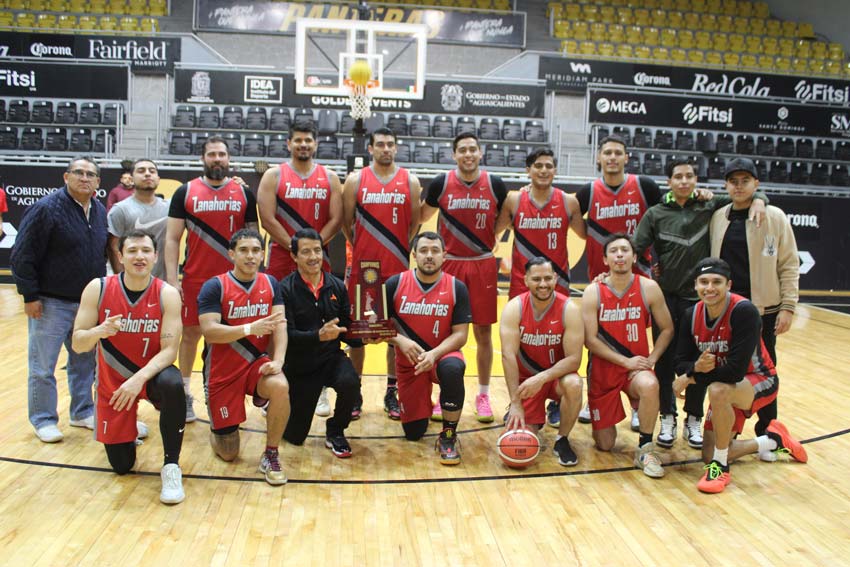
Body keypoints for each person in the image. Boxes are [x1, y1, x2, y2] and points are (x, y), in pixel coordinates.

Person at [633, 158, 767, 450]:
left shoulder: (709, 205)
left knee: (702, 361)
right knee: (667, 361)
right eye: (678, 176)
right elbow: (634, 248)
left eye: (689, 176)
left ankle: (693, 417)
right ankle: (666, 415)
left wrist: (760, 199)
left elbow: (742, 195)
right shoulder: (656, 213)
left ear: (696, 180)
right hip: (667, 299)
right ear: (669, 182)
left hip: (700, 303)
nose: (683, 181)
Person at [673, 257, 807, 494]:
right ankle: (773, 440)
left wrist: (690, 375)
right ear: (695, 285)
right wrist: (691, 369)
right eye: (704, 282)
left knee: (717, 389)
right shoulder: (691, 315)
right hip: (726, 385)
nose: (710, 288)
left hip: (760, 380)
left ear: (729, 285)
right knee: (708, 452)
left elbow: (733, 372)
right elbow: (680, 362)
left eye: (717, 282)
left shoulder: (744, 311)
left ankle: (720, 467)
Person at [71, 230, 186, 504]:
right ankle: (130, 426)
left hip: (150, 375)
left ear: (155, 256)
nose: (139, 256)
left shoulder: (167, 294)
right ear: (120, 256)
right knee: (122, 467)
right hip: (114, 384)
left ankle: (171, 466)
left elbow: (170, 350)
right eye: (132, 250)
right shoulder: (97, 288)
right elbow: (78, 344)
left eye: (146, 251)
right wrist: (99, 330)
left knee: (173, 383)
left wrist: (139, 380)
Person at [11, 156, 108, 443]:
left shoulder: (99, 210)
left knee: (83, 362)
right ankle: (43, 419)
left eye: (90, 174)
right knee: (43, 365)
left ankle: (82, 411)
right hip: (51, 302)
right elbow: (22, 255)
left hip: (86, 305)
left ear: (98, 183)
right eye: (78, 172)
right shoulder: (46, 209)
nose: (84, 178)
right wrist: (30, 295)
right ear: (66, 177)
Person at [165, 136, 259, 423]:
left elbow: (253, 238)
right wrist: (172, 280)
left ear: (229, 159)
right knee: (191, 335)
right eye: (211, 154)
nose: (217, 159)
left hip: (234, 282)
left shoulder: (244, 193)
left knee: (229, 339)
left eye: (222, 154)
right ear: (202, 158)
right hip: (195, 278)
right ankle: (183, 393)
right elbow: (171, 238)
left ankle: (224, 392)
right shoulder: (185, 192)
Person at [711, 157, 799, 454]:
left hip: (764, 311)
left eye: (745, 181)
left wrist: (788, 306)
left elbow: (788, 264)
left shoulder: (773, 216)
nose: (739, 186)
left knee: (765, 373)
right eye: (733, 181)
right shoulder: (718, 216)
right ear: (726, 185)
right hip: (726, 309)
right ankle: (729, 429)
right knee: (729, 369)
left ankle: (768, 430)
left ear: (756, 184)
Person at [421, 132, 509, 423]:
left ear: (480, 153)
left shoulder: (495, 184)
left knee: (484, 333)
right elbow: (422, 216)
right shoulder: (441, 183)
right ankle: (440, 394)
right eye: (462, 150)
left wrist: (492, 240)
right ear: (454, 154)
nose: (468, 154)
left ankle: (483, 394)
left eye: (473, 149)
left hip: (482, 264)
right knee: (442, 333)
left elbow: (505, 217)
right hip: (451, 265)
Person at [257, 124, 343, 418]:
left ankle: (318, 388)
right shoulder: (274, 175)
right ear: (288, 143)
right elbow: (266, 218)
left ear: (315, 144)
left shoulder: (329, 177)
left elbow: (336, 218)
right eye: (298, 140)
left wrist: (311, 250)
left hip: (317, 257)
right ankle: (273, 383)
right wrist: (295, 249)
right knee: (277, 320)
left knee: (320, 320)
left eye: (308, 140)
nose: (303, 145)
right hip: (283, 256)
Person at [198, 228, 290, 485]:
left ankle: (271, 454)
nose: (251, 256)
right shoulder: (214, 286)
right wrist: (250, 328)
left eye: (256, 250)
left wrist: (279, 361)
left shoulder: (271, 283)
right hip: (222, 371)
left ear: (262, 254)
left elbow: (280, 325)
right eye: (244, 250)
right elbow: (210, 332)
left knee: (281, 385)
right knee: (229, 453)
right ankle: (218, 426)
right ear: (231, 254)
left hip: (255, 365)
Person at [342, 127, 421, 420]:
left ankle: (392, 391)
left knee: (394, 335)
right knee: (358, 336)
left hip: (398, 270)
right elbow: (345, 222)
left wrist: (396, 248)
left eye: (390, 144)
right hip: (365, 270)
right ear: (371, 149)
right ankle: (355, 390)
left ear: (396, 148)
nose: (386, 149)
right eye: (380, 145)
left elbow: (413, 224)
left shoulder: (410, 181)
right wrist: (363, 247)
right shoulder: (355, 180)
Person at [581, 234, 674, 478]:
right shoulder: (593, 291)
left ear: (634, 257)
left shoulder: (648, 287)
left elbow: (667, 329)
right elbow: (589, 340)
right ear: (605, 259)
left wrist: (652, 358)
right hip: (603, 371)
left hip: (636, 369)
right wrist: (625, 361)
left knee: (650, 384)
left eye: (625, 250)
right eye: (614, 251)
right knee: (605, 444)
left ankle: (645, 446)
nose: (620, 254)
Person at [383, 232, 471, 464]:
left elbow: (461, 335)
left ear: (444, 255)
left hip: (442, 355)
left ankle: (449, 434)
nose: (429, 256)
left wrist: (434, 354)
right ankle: (423, 401)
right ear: (414, 255)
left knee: (452, 369)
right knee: (413, 433)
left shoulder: (456, 287)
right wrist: (399, 340)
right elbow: (376, 326)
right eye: (423, 251)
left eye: (434, 251)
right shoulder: (395, 283)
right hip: (410, 363)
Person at [279, 228, 360, 458]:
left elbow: (345, 328)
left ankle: (335, 430)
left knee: (350, 383)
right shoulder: (284, 289)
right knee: (293, 437)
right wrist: (318, 336)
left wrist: (366, 335)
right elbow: (286, 335)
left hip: (331, 358)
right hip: (300, 365)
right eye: (306, 252)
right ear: (294, 256)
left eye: (317, 250)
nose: (314, 257)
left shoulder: (336, 286)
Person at [500, 257, 584, 466]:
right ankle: (522, 412)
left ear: (556, 278)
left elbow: (574, 360)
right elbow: (508, 356)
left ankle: (562, 440)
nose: (543, 284)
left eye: (548, 278)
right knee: (522, 442)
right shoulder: (514, 308)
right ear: (526, 279)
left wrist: (543, 377)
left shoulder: (569, 309)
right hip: (527, 384)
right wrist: (516, 403)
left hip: (554, 378)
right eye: (536, 279)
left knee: (574, 383)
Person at [496, 148, 585, 300]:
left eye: (549, 166)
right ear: (528, 171)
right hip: (522, 281)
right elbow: (494, 229)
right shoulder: (514, 200)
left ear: (555, 171)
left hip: (558, 280)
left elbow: (585, 234)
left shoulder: (569, 202)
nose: (544, 170)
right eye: (538, 166)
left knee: (557, 323)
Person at [107, 159, 170, 279]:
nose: (147, 173)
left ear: (158, 178)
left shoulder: (170, 208)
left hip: (162, 284)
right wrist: (122, 282)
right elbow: (113, 248)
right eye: (141, 171)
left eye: (152, 171)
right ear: (132, 178)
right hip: (131, 285)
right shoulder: (120, 210)